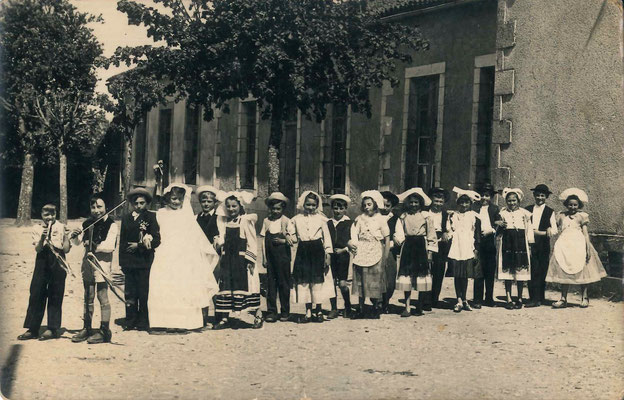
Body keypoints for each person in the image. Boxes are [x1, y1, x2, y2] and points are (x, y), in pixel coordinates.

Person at [148, 183, 219, 332]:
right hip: (165, 253)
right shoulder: (161, 213)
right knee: (164, 286)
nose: (176, 202)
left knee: (182, 287)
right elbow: (157, 232)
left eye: (179, 199)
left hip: (182, 255)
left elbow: (194, 236)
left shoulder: (186, 215)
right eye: (173, 198)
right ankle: (163, 321)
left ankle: (183, 322)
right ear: (168, 198)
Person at [18, 204, 71, 341]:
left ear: (56, 214)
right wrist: (42, 237)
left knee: (55, 293)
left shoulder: (61, 226)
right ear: (41, 215)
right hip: (42, 261)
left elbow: (66, 250)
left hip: (58, 261)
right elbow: (38, 249)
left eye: (53, 214)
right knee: (36, 292)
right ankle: (33, 328)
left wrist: (66, 236)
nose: (50, 218)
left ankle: (52, 328)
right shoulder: (36, 228)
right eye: (46, 215)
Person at [546, 188, 607, 308]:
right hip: (564, 246)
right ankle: (563, 298)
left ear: (579, 205)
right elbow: (554, 227)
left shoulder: (581, 216)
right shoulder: (561, 215)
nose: (572, 207)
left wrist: (587, 248)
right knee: (563, 270)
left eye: (575, 205)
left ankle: (584, 297)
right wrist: (549, 228)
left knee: (582, 270)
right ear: (566, 204)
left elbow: (585, 233)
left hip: (578, 246)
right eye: (570, 204)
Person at [71, 193, 118, 344]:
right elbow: (77, 242)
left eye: (100, 206)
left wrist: (94, 245)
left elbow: (110, 246)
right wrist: (75, 235)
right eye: (93, 207)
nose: (96, 210)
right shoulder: (86, 223)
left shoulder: (112, 224)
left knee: (102, 296)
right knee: (88, 295)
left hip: (102, 263)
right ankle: (87, 327)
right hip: (88, 263)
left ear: (106, 208)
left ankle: (105, 331)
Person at [213, 191, 263, 329]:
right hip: (227, 260)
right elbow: (222, 239)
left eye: (234, 206)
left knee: (248, 288)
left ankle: (258, 315)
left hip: (242, 261)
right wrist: (218, 241)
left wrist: (251, 261)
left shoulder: (245, 221)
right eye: (228, 206)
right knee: (226, 288)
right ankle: (224, 318)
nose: (231, 209)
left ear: (240, 206)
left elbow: (252, 242)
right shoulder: (223, 222)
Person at [288, 191, 335, 323]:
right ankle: (308, 311)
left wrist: (328, 254)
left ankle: (318, 310)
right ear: (303, 204)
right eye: (308, 205)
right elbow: (290, 231)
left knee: (317, 281)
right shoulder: (296, 219)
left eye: (313, 205)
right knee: (304, 281)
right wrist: (289, 235)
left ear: (317, 205)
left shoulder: (321, 220)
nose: (310, 207)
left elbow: (327, 238)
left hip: (317, 250)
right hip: (303, 251)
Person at [119, 188, 161, 331]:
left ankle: (143, 321)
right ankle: (130, 320)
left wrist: (140, 245)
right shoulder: (126, 218)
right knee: (130, 292)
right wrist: (122, 263)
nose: (138, 206)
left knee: (143, 292)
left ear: (147, 203)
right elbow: (122, 241)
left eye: (142, 203)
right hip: (129, 262)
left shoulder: (151, 217)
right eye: (135, 203)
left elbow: (157, 240)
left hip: (144, 261)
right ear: (131, 203)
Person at [394, 188, 436, 317]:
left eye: (416, 202)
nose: (413, 205)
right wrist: (399, 240)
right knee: (407, 276)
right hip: (408, 246)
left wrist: (430, 252)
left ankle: (419, 306)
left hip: (421, 247)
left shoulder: (426, 216)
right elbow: (399, 231)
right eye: (411, 202)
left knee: (421, 277)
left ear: (420, 203)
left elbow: (431, 234)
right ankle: (407, 307)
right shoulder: (403, 216)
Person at [348, 190, 390, 319]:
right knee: (361, 279)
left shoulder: (381, 219)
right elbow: (354, 233)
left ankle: (375, 307)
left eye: (369, 204)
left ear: (375, 204)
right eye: (365, 205)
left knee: (374, 280)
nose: (367, 207)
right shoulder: (359, 219)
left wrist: (385, 256)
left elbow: (387, 238)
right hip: (362, 250)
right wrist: (353, 244)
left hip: (375, 249)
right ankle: (361, 308)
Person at [497, 188, 534, 310]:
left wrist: (529, 244)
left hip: (520, 245)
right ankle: (508, 298)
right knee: (508, 272)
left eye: (514, 200)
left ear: (518, 201)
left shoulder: (525, 214)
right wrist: (499, 225)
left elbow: (529, 230)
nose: (512, 203)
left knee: (520, 273)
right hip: (507, 244)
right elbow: (498, 232)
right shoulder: (502, 213)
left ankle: (519, 298)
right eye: (509, 201)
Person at [446, 188, 482, 313]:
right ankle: (459, 300)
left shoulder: (474, 216)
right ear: (458, 203)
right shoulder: (453, 216)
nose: (464, 205)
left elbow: (477, 234)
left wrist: (476, 250)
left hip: (468, 247)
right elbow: (450, 231)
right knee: (457, 275)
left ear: (470, 204)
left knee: (465, 275)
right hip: (456, 247)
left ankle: (465, 299)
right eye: (462, 202)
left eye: (467, 202)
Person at [260, 192, 293, 323]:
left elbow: (293, 239)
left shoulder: (286, 221)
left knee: (283, 283)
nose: (275, 211)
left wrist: (284, 240)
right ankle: (271, 311)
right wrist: (264, 257)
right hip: (270, 256)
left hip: (283, 257)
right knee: (271, 284)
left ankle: (285, 311)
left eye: (278, 208)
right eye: (273, 208)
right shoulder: (266, 221)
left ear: (283, 209)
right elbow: (263, 240)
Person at [525, 184, 557, 307]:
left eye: (542, 195)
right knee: (532, 269)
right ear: (534, 195)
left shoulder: (550, 211)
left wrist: (544, 231)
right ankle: (533, 297)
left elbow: (554, 230)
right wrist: (538, 232)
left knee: (542, 269)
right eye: (537, 195)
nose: (539, 197)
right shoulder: (527, 209)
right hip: (530, 243)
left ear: (546, 197)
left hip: (543, 245)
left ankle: (540, 298)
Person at [195, 185, 223, 325]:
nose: (206, 204)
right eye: (203, 201)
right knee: (201, 286)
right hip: (200, 257)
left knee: (214, 284)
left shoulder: (219, 219)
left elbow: (222, 235)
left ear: (215, 203)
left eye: (209, 202)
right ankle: (203, 318)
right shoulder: (196, 218)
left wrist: (219, 241)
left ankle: (219, 316)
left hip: (215, 257)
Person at [472, 183, 501, 307]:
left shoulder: (495, 209)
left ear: (491, 197)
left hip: (490, 243)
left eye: (487, 195)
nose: (484, 198)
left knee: (490, 271)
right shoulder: (474, 208)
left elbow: (500, 224)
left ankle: (489, 298)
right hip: (478, 242)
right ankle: (477, 299)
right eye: (482, 195)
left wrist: (493, 230)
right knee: (478, 271)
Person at [327, 194, 353, 318]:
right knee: (331, 283)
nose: (338, 211)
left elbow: (354, 241)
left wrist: (344, 249)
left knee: (342, 283)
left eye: (341, 208)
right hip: (331, 256)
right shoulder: (328, 223)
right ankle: (334, 308)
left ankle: (347, 306)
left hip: (344, 256)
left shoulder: (349, 223)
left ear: (345, 209)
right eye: (335, 208)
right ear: (332, 209)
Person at [426, 187, 451, 308]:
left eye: (441, 202)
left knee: (439, 271)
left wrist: (446, 233)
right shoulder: (425, 212)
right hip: (426, 242)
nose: (438, 204)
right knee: (426, 271)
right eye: (436, 201)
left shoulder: (445, 214)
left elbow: (449, 229)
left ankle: (434, 298)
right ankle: (425, 299)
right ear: (431, 200)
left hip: (440, 243)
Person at [380, 191, 400, 313]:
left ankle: (386, 301)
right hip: (374, 250)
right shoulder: (374, 217)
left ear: (392, 206)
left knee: (389, 278)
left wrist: (393, 241)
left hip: (389, 251)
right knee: (375, 277)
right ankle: (376, 302)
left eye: (388, 206)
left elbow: (400, 235)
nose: (385, 208)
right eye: (383, 205)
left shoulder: (395, 219)